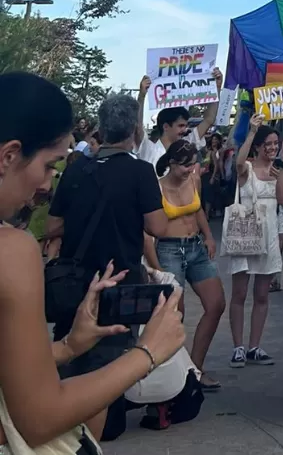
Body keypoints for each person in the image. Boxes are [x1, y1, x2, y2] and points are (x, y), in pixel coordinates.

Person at [0, 73, 186, 452]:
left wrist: (68, 347)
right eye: (50, 165)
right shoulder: (11, 250)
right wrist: (148, 352)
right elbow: (40, 419)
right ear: (9, 156)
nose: (47, 184)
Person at [41, 90, 177, 442]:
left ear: (101, 129)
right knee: (113, 358)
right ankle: (97, 428)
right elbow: (157, 227)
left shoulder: (76, 170)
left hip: (74, 281)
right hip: (120, 281)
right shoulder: (140, 172)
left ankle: (69, 421)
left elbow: (53, 227)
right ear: (133, 130)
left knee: (73, 350)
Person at [143, 140, 225, 390]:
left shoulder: (194, 179)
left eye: (193, 164)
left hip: (196, 247)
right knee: (175, 315)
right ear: (171, 163)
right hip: (169, 249)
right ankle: (176, 375)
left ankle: (195, 368)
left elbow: (197, 208)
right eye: (185, 166)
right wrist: (156, 268)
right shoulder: (156, 188)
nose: (191, 169)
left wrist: (209, 235)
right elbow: (147, 233)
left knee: (216, 304)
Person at [226, 115, 283, 369]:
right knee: (239, 294)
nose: (273, 147)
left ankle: (254, 346)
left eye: (276, 143)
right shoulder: (248, 169)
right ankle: (238, 347)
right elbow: (238, 162)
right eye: (269, 143)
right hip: (246, 232)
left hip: (270, 235)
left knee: (262, 294)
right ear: (259, 146)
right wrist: (251, 132)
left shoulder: (278, 171)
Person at [135, 69, 223, 165]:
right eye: (180, 126)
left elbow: (209, 119)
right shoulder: (149, 150)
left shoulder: (186, 145)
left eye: (185, 126)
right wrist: (142, 96)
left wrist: (216, 88)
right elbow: (138, 129)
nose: (185, 130)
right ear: (166, 126)